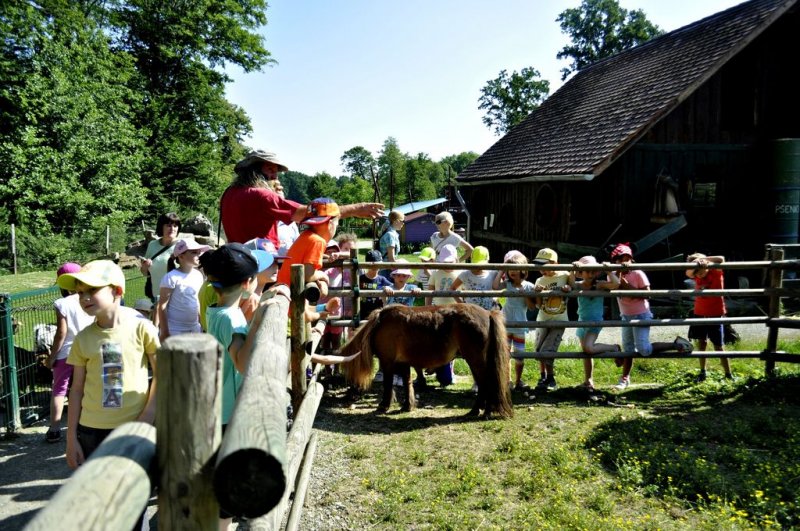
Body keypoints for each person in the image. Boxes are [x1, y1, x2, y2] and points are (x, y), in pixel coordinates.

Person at [59, 260, 159, 473]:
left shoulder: (142, 328)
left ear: (117, 291)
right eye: (80, 292)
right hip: (91, 432)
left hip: (134, 426)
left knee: (133, 495)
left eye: (92, 289)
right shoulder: (82, 339)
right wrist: (71, 439)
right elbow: (76, 391)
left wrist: (146, 419)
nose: (84, 297)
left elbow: (163, 376)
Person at [220, 150, 383, 247]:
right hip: (260, 265)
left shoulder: (229, 193)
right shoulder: (261, 195)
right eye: (270, 169)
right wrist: (356, 209)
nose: (275, 175)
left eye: (276, 170)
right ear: (254, 170)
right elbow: (311, 213)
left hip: (237, 263)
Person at [611, 243, 693, 391]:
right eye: (619, 259)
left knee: (644, 350)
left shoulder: (638, 274)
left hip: (641, 314)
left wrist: (627, 286)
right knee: (628, 348)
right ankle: (624, 379)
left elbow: (647, 294)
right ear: (614, 261)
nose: (623, 263)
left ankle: (675, 344)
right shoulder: (613, 274)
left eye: (627, 259)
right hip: (626, 316)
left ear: (631, 260)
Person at [44, 263, 94, 443]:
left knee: (59, 390)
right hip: (88, 351)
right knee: (85, 389)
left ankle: (55, 429)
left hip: (66, 353)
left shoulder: (61, 303)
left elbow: (61, 333)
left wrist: (52, 357)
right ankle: (85, 426)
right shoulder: (90, 298)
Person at [570, 255, 621, 392]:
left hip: (595, 322)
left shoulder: (599, 284)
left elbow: (616, 284)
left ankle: (614, 348)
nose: (591, 274)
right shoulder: (579, 285)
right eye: (587, 271)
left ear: (597, 272)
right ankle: (588, 380)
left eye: (593, 271)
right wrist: (573, 270)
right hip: (582, 322)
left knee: (588, 348)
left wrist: (609, 271)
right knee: (587, 353)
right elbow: (571, 284)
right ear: (581, 273)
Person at [492, 251, 536, 392]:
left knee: (520, 355)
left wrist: (526, 295)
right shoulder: (507, 284)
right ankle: (508, 380)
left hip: (520, 325)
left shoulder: (529, 286)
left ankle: (518, 380)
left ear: (523, 270)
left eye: (515, 268)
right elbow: (495, 287)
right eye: (510, 269)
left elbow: (531, 307)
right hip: (506, 324)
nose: (512, 272)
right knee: (505, 353)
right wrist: (501, 270)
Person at [685, 252, 732, 381]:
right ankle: (702, 371)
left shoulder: (715, 271)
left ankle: (728, 374)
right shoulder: (695, 274)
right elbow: (688, 272)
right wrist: (696, 264)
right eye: (696, 272)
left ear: (706, 264)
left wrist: (703, 260)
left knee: (718, 345)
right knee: (702, 343)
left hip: (715, 313)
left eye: (700, 270)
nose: (698, 274)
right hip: (699, 312)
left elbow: (721, 258)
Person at [531, 248, 572, 392]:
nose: (542, 269)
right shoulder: (540, 280)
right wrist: (538, 293)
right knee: (538, 349)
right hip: (542, 318)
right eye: (539, 266)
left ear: (554, 263)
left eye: (544, 265)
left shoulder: (565, 275)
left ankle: (551, 377)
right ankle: (543, 377)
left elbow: (573, 286)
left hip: (559, 319)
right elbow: (538, 304)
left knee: (547, 350)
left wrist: (568, 287)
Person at [157, 239, 210, 341]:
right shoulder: (171, 277)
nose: (199, 255)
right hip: (175, 330)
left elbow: (198, 301)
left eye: (199, 252)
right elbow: (162, 305)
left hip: (195, 328)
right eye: (194, 252)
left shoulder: (198, 275)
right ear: (181, 256)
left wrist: (202, 324)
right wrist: (165, 331)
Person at [425, 243, 461, 386]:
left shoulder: (460, 272)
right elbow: (430, 290)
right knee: (438, 340)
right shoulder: (436, 273)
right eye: (445, 263)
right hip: (438, 311)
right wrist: (428, 307)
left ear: (456, 260)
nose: (448, 266)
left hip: (455, 312)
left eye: (451, 262)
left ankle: (448, 369)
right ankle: (436, 365)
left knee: (453, 341)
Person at [139, 212, 181, 320]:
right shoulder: (152, 245)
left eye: (175, 226)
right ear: (161, 227)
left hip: (177, 297)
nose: (172, 228)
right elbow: (145, 273)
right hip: (157, 296)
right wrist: (145, 266)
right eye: (168, 225)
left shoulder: (182, 245)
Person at [451, 246, 498, 310]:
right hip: (471, 311)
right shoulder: (466, 274)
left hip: (488, 311)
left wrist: (495, 298)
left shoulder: (493, 273)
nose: (478, 267)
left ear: (487, 260)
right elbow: (452, 288)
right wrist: (462, 304)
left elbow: (499, 288)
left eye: (481, 264)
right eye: (476, 264)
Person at [379, 210, 405, 277]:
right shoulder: (391, 235)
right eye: (402, 221)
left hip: (388, 269)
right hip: (387, 271)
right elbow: (391, 258)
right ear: (396, 221)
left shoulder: (392, 233)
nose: (403, 223)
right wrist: (397, 274)